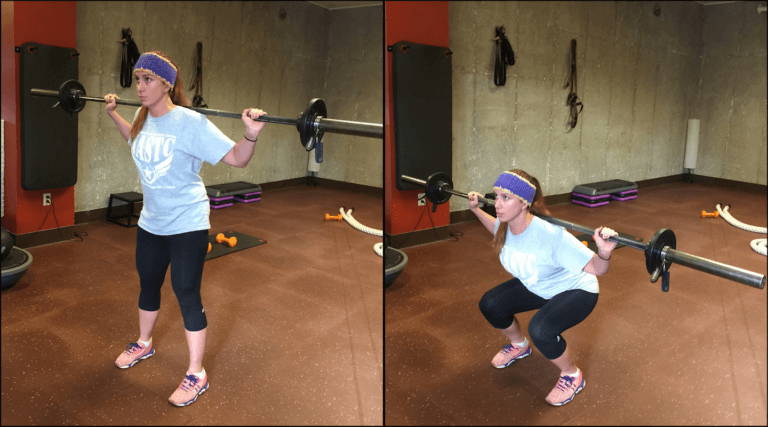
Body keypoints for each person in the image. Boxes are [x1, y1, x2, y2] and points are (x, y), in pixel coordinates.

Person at [104, 51, 267, 407]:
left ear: (167, 84)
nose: (140, 87)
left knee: (186, 292)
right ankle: (144, 344)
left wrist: (250, 135)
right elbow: (132, 140)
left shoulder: (191, 123)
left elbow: (236, 158)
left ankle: (197, 373)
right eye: (138, 80)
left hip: (187, 224)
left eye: (148, 79)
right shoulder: (139, 115)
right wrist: (114, 113)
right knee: (148, 283)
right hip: (151, 222)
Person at [468, 169, 618, 407]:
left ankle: (572, 375)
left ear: (524, 202)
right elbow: (495, 229)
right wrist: (476, 209)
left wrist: (604, 252)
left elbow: (597, 269)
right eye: (496, 196)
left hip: (576, 289)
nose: (497, 204)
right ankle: (519, 346)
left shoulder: (552, 236)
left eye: (505, 198)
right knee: (491, 304)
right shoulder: (507, 225)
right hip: (539, 283)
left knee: (541, 329)